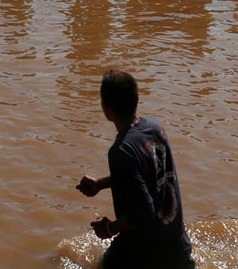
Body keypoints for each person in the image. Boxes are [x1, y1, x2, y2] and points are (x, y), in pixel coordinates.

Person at [76, 70, 195, 269]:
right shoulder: (155, 128)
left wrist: (109, 228)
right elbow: (146, 176)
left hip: (144, 255)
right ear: (137, 98)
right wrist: (101, 184)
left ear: (106, 108)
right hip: (178, 247)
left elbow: (143, 212)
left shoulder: (121, 150)